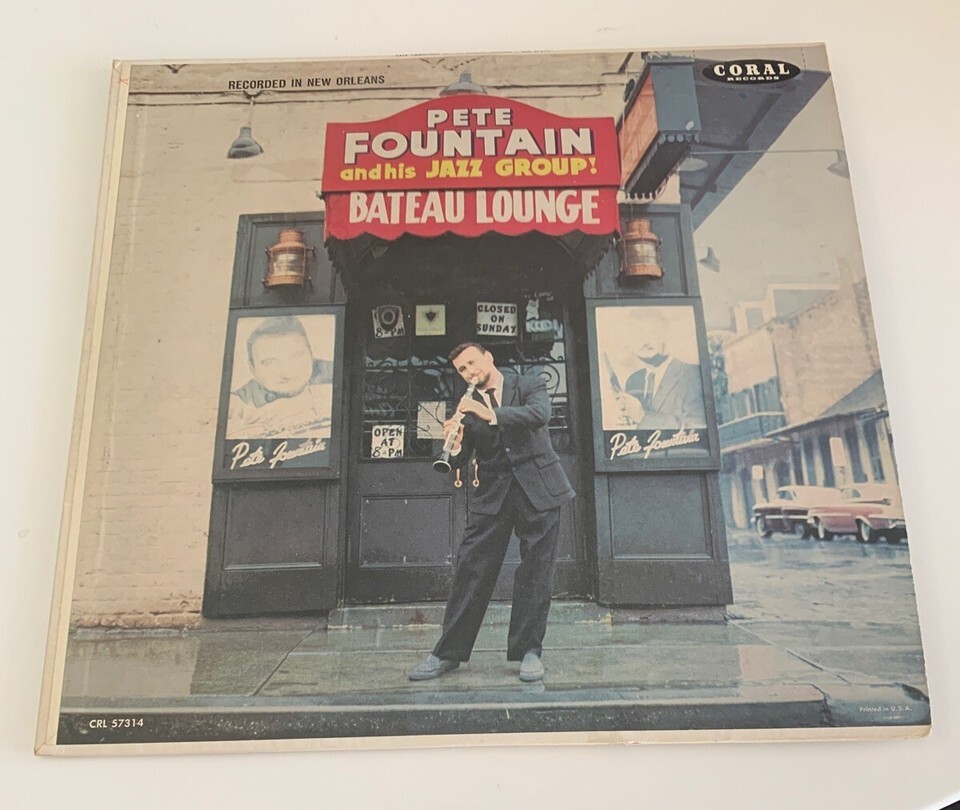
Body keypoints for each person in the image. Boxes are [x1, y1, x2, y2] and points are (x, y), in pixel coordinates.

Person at [408, 342, 575, 683]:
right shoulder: (465, 406)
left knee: (535, 574)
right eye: (462, 370)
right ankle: (447, 653)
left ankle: (529, 652)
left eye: (472, 363)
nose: (469, 372)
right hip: (493, 495)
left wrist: (488, 414)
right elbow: (460, 457)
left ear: (488, 358)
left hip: (539, 489)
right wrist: (455, 444)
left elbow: (539, 415)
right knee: (470, 570)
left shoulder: (528, 383)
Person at [226, 315, 334, 439]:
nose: (286, 373)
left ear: (311, 355)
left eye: (296, 356)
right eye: (270, 363)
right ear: (252, 369)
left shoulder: (336, 375)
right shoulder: (239, 403)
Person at [612, 309, 706, 430]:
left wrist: (642, 417)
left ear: (664, 334)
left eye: (651, 332)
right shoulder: (633, 380)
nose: (644, 341)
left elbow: (698, 430)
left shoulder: (692, 374)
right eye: (636, 335)